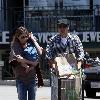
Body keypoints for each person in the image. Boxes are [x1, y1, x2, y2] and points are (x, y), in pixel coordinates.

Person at [9, 26, 43, 100]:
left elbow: (40, 53)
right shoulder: (15, 45)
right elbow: (19, 59)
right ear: (17, 37)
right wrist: (32, 63)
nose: (25, 39)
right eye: (22, 37)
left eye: (26, 36)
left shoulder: (31, 43)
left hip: (32, 79)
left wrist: (33, 40)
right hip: (21, 79)